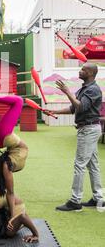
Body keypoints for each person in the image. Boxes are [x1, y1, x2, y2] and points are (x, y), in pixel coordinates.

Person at [45, 63, 105, 212]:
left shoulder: (93, 90)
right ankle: (99, 198)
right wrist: (54, 112)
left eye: (83, 69)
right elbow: (73, 108)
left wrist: (66, 91)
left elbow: (81, 107)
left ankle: (75, 201)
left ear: (91, 73)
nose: (80, 70)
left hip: (89, 129)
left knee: (80, 165)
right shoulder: (84, 88)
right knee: (93, 165)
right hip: (88, 128)